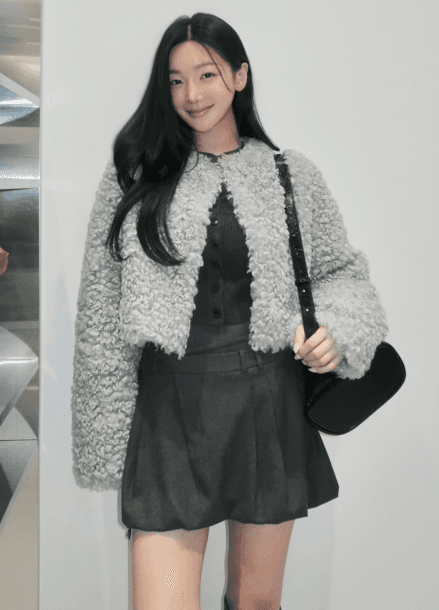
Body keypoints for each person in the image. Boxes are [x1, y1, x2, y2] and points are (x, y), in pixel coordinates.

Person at [70, 12, 388, 610]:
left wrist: (337, 331)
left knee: (256, 603)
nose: (191, 94)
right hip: (168, 412)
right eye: (176, 80)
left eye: (207, 74)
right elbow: (101, 320)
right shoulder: (134, 177)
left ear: (240, 76)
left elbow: (342, 274)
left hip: (267, 405)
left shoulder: (291, 175)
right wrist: (104, 438)